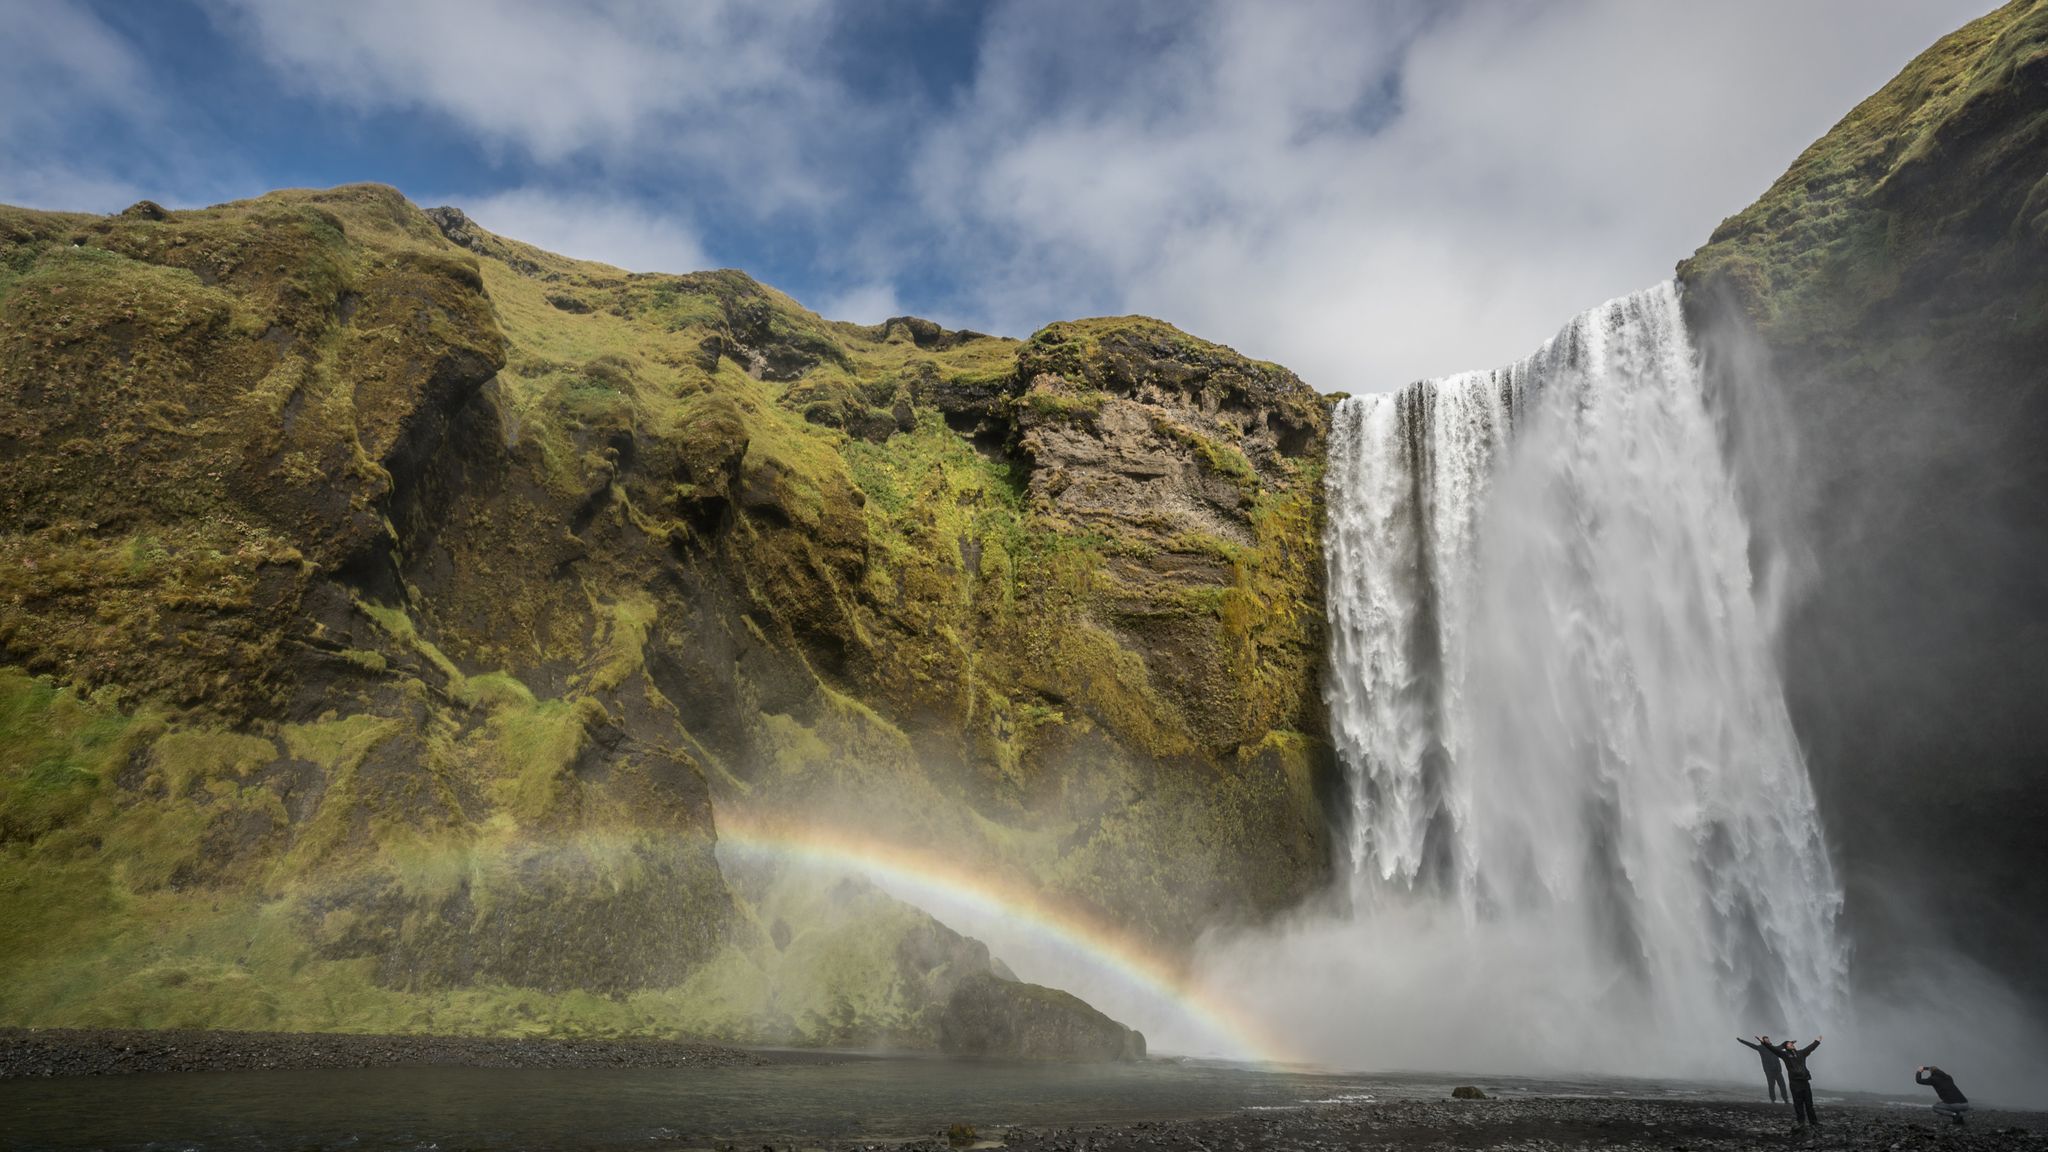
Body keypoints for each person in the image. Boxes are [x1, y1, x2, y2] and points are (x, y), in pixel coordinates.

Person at [1777, 1037, 1822, 1128]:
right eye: (1789, 1044)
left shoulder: (1801, 1053)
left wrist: (1817, 1041)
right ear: (1785, 1047)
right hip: (1795, 1083)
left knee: (1809, 1104)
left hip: (1805, 1082)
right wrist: (1765, 1043)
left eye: (1792, 1043)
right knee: (1798, 1104)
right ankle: (1801, 1123)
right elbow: (1775, 1050)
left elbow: (1810, 1048)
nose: (1792, 1044)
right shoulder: (1785, 1055)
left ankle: (1814, 1122)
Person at [1737, 1035, 1788, 1103]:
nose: (1768, 1041)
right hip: (1769, 1071)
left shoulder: (1774, 1048)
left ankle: (1786, 1099)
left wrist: (1790, 1042)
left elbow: (1783, 1046)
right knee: (1771, 1086)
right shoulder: (1760, 1048)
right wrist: (1741, 1040)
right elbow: (1751, 1045)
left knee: (1782, 1085)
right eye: (1766, 1040)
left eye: (1768, 1039)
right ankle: (1773, 1100)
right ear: (1762, 1041)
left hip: (1778, 1070)